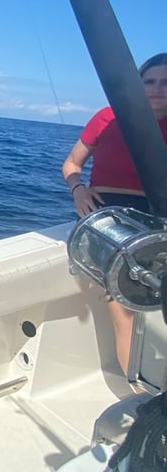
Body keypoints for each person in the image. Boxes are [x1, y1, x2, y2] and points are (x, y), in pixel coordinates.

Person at [61, 53, 167, 376]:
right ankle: (138, 391)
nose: (156, 89)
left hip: (155, 220)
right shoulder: (106, 118)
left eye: (166, 83)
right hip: (105, 222)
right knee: (124, 310)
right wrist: (78, 189)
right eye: (149, 81)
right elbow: (71, 165)